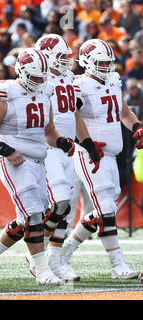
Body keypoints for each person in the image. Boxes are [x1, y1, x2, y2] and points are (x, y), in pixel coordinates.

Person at [0, 48, 77, 286]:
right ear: (21, 71)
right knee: (33, 215)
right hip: (16, 162)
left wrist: (61, 141)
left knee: (25, 219)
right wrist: (6, 150)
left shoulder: (44, 92)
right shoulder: (6, 93)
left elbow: (48, 131)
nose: (40, 81)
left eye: (42, 77)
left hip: (38, 162)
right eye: (35, 77)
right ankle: (41, 270)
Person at [60, 39, 142, 280]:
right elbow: (69, 117)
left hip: (112, 154)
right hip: (91, 154)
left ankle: (62, 252)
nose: (106, 66)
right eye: (102, 62)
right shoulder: (78, 85)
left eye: (109, 62)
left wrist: (136, 127)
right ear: (86, 61)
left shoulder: (114, 80)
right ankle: (116, 263)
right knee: (105, 208)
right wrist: (85, 142)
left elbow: (124, 112)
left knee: (104, 208)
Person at [28, 33, 104, 281]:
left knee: (65, 209)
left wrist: (88, 142)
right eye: (60, 57)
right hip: (49, 148)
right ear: (47, 57)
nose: (65, 61)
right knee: (59, 204)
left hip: (68, 149)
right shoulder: (38, 79)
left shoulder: (68, 77)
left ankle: (54, 260)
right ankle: (37, 252)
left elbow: (74, 114)